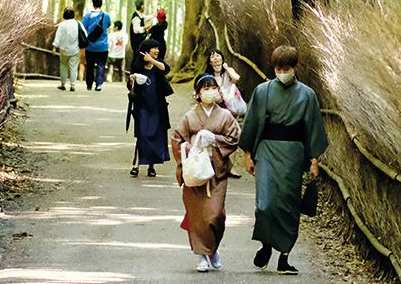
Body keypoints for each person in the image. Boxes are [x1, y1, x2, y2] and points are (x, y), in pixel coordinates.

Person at [239, 45, 328, 276]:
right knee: (266, 203)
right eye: (278, 68)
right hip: (266, 150)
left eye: (286, 68)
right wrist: (248, 154)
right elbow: (250, 124)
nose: (282, 72)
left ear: (295, 68)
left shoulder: (307, 95)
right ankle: (266, 245)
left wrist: (314, 160)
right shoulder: (262, 91)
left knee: (289, 205)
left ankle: (284, 258)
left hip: (294, 154)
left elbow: (312, 128)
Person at [170, 74, 241, 273]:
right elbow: (177, 139)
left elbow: (234, 138)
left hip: (216, 172)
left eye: (214, 88)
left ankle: (212, 248)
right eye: (206, 88)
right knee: (196, 215)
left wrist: (215, 139)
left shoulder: (225, 116)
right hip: (194, 170)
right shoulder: (189, 116)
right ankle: (201, 255)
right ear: (198, 93)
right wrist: (187, 148)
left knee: (215, 215)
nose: (211, 91)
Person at [125, 38, 172, 177]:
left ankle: (151, 167)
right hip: (142, 107)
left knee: (156, 136)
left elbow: (166, 69)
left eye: (157, 48)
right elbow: (130, 87)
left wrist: (152, 60)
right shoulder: (137, 66)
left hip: (157, 107)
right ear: (147, 50)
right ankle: (136, 164)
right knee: (142, 135)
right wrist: (131, 80)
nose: (157, 50)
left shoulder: (158, 65)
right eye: (154, 48)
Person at [81, 0, 111, 91]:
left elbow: (83, 28)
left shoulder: (88, 16)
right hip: (103, 46)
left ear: (93, 4)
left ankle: (89, 84)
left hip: (91, 46)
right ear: (101, 4)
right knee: (101, 65)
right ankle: (99, 84)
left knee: (90, 65)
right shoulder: (106, 15)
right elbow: (108, 25)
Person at [204, 50, 246, 118]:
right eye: (212, 57)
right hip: (215, 103)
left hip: (231, 102)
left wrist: (226, 68)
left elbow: (236, 78)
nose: (215, 58)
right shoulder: (208, 76)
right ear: (210, 62)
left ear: (222, 59)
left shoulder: (228, 71)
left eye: (218, 56)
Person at [51, 8, 82, 91]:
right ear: (73, 15)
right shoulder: (78, 24)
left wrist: (54, 47)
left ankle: (63, 84)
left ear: (64, 16)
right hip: (75, 49)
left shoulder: (62, 25)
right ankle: (72, 85)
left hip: (64, 50)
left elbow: (58, 37)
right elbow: (85, 34)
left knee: (63, 66)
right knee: (73, 68)